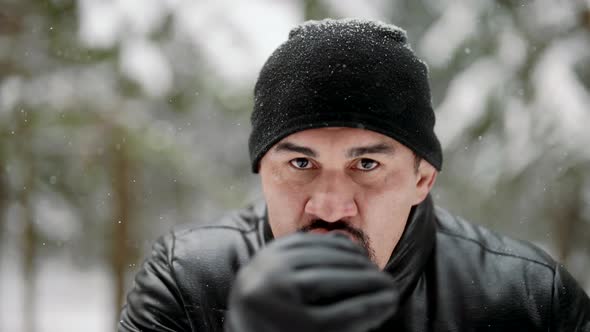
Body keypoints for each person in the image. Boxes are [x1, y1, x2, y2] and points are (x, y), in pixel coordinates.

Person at [118, 18, 590, 332]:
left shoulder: (526, 299)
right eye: (301, 164)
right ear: (263, 170)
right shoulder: (188, 281)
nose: (329, 205)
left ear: (422, 180)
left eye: (366, 165)